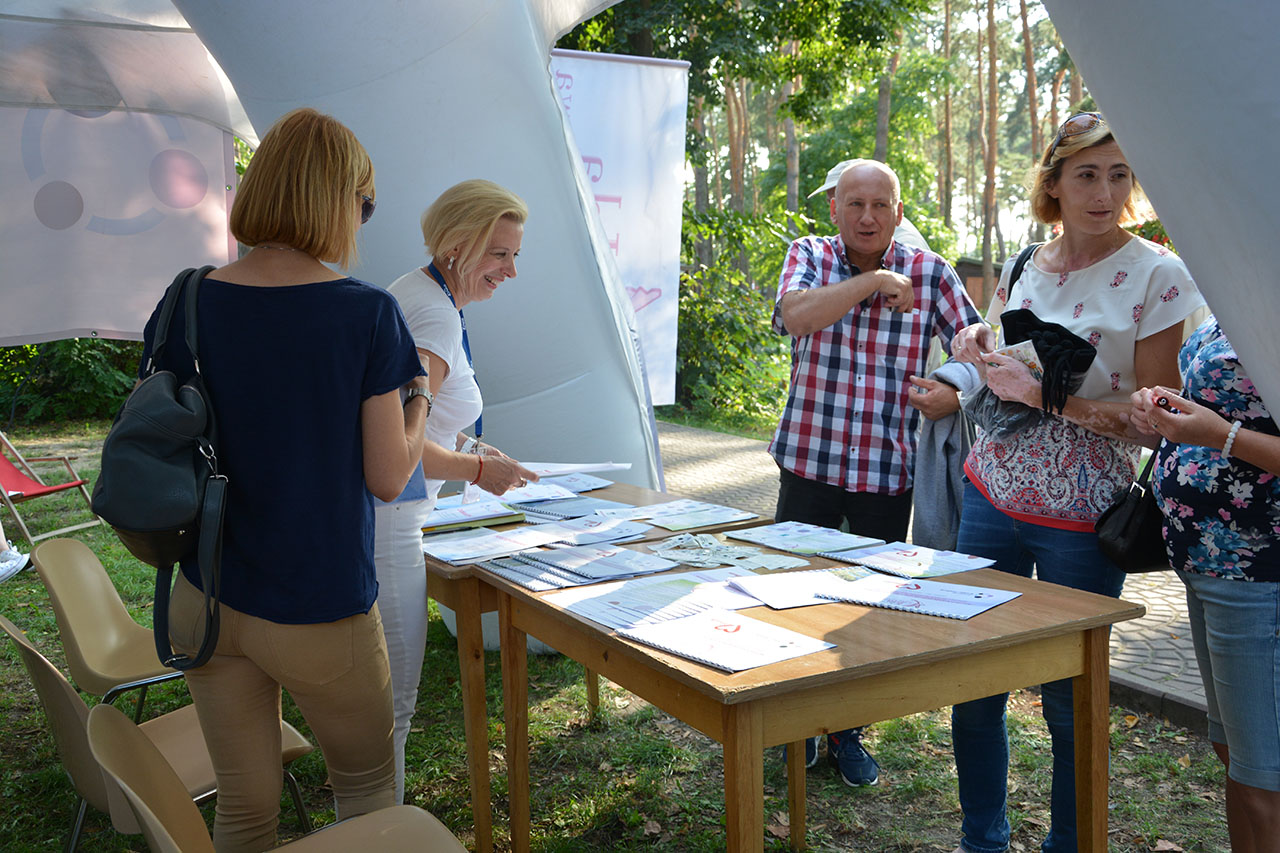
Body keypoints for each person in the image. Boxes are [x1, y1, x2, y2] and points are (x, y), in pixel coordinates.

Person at [146, 107, 430, 853]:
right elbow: (389, 476)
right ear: (340, 202)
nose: (363, 221)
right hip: (319, 607)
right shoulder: (366, 313)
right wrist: (421, 399)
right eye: (365, 204)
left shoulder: (185, 297)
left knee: (244, 808)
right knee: (367, 799)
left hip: (206, 592)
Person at [947, 112, 1204, 853]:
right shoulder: (1027, 261)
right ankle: (981, 840)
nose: (1105, 193)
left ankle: (1069, 843)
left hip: (1083, 516)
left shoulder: (1159, 274)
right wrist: (977, 346)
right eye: (1087, 174)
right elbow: (1001, 361)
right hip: (990, 491)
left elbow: (1159, 421)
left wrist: (1049, 399)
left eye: (1120, 175)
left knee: (1069, 699)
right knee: (975, 682)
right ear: (1054, 183)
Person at [771, 158, 982, 785]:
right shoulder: (809, 254)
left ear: (898, 211)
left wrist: (955, 390)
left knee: (864, 610)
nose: (868, 217)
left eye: (880, 205)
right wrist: (874, 281)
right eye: (855, 204)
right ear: (834, 208)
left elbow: (980, 345)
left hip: (886, 474)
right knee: (793, 598)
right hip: (808, 463)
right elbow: (796, 316)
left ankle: (847, 730)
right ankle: (793, 723)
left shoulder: (932, 272)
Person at [375, 178, 537, 803]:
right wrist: (474, 470)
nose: (511, 271)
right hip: (392, 526)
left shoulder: (421, 293)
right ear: (456, 245)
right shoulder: (436, 314)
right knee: (393, 703)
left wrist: (469, 447)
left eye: (514, 254)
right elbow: (395, 441)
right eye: (499, 254)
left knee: (386, 702)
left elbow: (419, 421)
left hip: (390, 517)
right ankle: (377, 830)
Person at [1130, 318, 1280, 853]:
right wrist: (1164, 406)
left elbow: (1227, 426)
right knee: (1235, 756)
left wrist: (1220, 436)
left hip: (1258, 574)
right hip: (1205, 564)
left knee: (1264, 778)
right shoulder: (1238, 289)